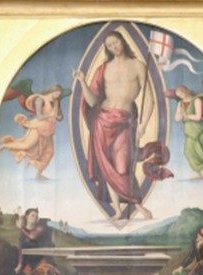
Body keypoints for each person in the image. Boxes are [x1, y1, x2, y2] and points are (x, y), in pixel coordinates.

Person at [73, 31, 170, 221]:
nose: (114, 47)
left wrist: (143, 125)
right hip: (102, 121)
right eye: (109, 45)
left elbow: (149, 99)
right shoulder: (103, 68)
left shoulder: (138, 66)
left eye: (116, 42)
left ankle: (138, 205)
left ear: (123, 41)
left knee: (122, 166)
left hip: (124, 121)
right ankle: (118, 210)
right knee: (106, 167)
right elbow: (92, 101)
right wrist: (82, 81)